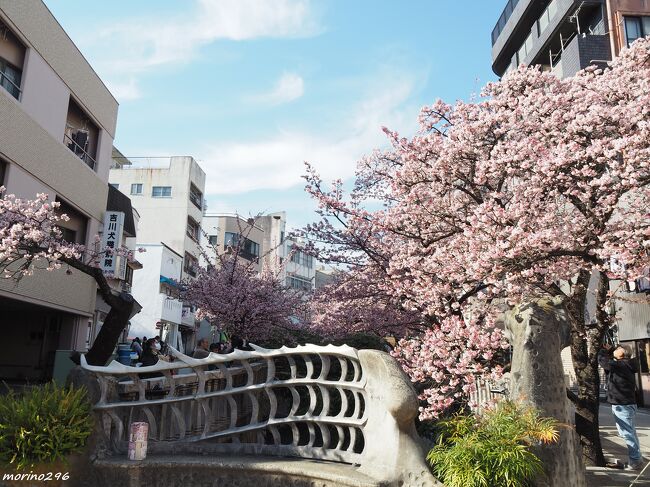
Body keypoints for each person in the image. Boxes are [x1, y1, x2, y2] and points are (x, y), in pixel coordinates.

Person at [599, 344, 644, 470]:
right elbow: (608, 366)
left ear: (622, 353)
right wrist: (611, 350)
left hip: (623, 405)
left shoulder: (620, 365)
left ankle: (635, 461)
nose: (615, 349)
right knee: (630, 433)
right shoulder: (626, 365)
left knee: (627, 434)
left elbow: (603, 361)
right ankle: (636, 459)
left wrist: (604, 350)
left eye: (618, 348)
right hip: (627, 404)